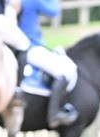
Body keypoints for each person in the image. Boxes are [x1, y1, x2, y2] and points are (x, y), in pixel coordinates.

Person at [16, 0, 79, 128]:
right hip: (31, 47)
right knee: (66, 70)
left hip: (19, 46)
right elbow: (54, 10)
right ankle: (54, 113)